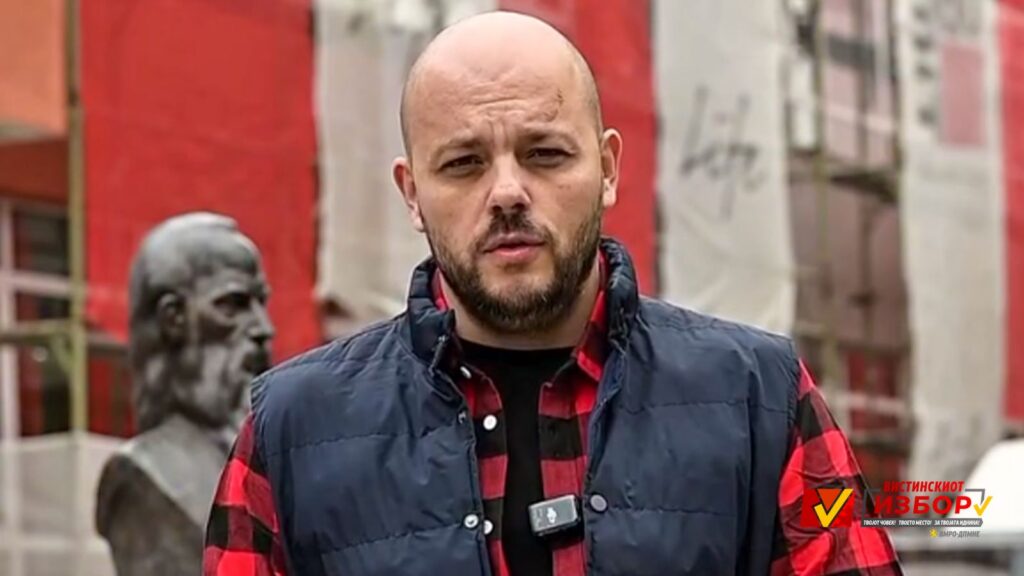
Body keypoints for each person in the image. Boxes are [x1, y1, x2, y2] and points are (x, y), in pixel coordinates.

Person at [203, 11, 901, 576]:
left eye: (545, 154)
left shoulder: (761, 400)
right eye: (464, 163)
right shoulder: (292, 431)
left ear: (608, 168)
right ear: (412, 194)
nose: (507, 192)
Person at [96, 213, 275, 576]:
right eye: (233, 305)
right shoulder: (144, 474)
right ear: (173, 318)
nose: (263, 328)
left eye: (261, 303)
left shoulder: (275, 455)